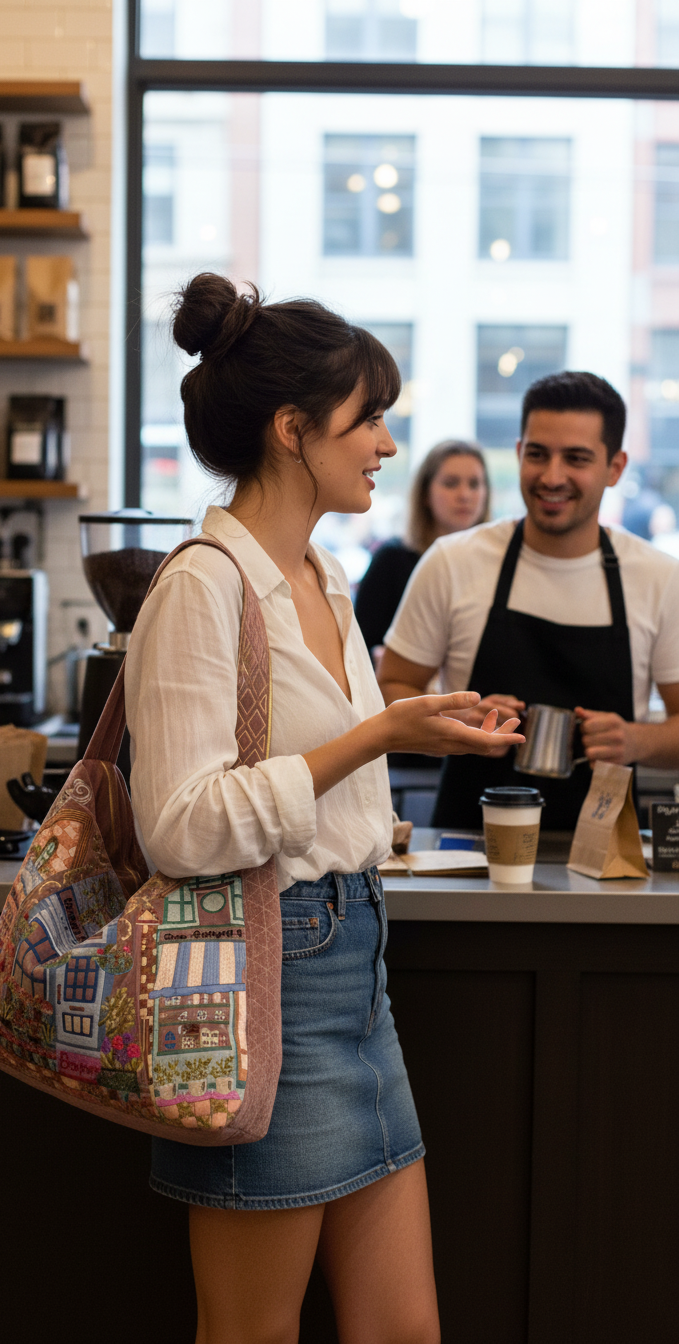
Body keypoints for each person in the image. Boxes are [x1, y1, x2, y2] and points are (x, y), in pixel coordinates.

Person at [125, 272, 523, 1344]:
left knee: (403, 1327)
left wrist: (420, 722)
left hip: (356, 973)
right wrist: (382, 735)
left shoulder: (324, 573)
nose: (389, 446)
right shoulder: (200, 586)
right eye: (369, 420)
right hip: (269, 977)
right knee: (250, 1331)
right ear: (293, 430)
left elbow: (321, 769)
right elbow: (179, 824)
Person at [378, 370, 679, 832]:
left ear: (615, 468)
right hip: (466, 855)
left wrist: (635, 740)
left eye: (576, 458)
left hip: (604, 861)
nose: (552, 476)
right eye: (538, 454)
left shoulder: (658, 578)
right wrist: (456, 715)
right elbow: (389, 688)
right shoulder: (453, 562)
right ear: (519, 453)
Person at [354, 438, 490, 658]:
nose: (465, 495)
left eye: (474, 484)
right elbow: (359, 647)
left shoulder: (495, 562)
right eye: (451, 483)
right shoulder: (392, 559)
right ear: (426, 493)